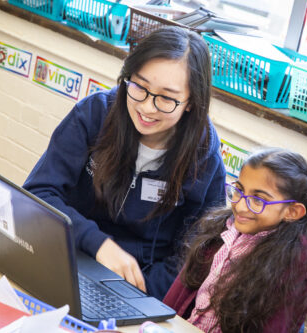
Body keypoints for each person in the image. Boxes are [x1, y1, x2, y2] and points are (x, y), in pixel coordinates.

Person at [22, 26, 226, 300]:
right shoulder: (94, 115)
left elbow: (196, 249)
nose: (147, 107)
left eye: (166, 98)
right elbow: (38, 193)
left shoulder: (204, 154)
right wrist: (98, 244)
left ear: (191, 103)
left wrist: (139, 294)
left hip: (140, 286)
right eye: (139, 86)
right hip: (67, 256)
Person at [163, 148, 307, 332]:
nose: (241, 206)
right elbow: (174, 301)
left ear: (292, 212)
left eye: (259, 200)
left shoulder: (295, 261)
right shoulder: (221, 229)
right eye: (240, 190)